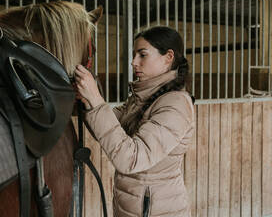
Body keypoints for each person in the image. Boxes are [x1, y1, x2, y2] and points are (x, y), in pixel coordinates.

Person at [74, 26, 195, 217]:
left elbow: (131, 159)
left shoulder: (175, 105)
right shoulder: (143, 97)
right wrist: (88, 101)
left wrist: (96, 100)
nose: (133, 62)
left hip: (156, 211)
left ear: (168, 57)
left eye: (142, 55)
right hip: (136, 206)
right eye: (134, 55)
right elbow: (108, 125)